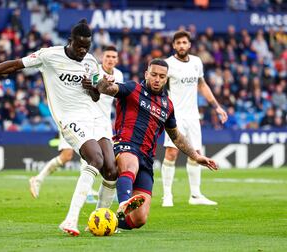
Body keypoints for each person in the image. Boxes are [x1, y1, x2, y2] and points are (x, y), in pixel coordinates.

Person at [0, 19, 118, 236]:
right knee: (95, 160)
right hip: (70, 119)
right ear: (71, 41)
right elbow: (14, 64)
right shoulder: (49, 55)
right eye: (79, 45)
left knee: (111, 169)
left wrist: (94, 87)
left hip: (94, 117)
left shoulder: (90, 62)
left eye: (86, 47)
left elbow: (97, 95)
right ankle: (70, 219)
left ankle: (100, 220)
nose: (82, 50)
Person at [95, 58, 218, 230]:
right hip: (126, 145)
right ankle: (123, 202)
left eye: (161, 76)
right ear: (146, 74)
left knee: (139, 220)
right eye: (153, 75)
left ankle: (108, 221)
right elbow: (106, 89)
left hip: (147, 158)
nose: (157, 79)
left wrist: (196, 156)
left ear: (166, 79)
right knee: (130, 165)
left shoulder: (167, 106)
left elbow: (176, 136)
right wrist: (104, 82)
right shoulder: (132, 89)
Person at [29, 45, 124, 205]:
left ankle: (99, 190)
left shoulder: (119, 75)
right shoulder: (92, 69)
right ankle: (39, 180)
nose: (110, 60)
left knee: (102, 159)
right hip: (80, 118)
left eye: (114, 57)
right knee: (73, 155)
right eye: (107, 56)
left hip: (103, 122)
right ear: (103, 58)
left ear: (117, 59)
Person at [161, 30, 228, 207]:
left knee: (196, 154)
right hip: (174, 116)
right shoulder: (168, 64)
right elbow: (158, 87)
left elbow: (202, 85)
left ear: (189, 45)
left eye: (184, 42)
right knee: (171, 152)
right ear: (174, 45)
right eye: (178, 43)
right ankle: (167, 195)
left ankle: (196, 195)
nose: (182, 45)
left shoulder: (197, 62)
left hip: (192, 116)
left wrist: (217, 107)